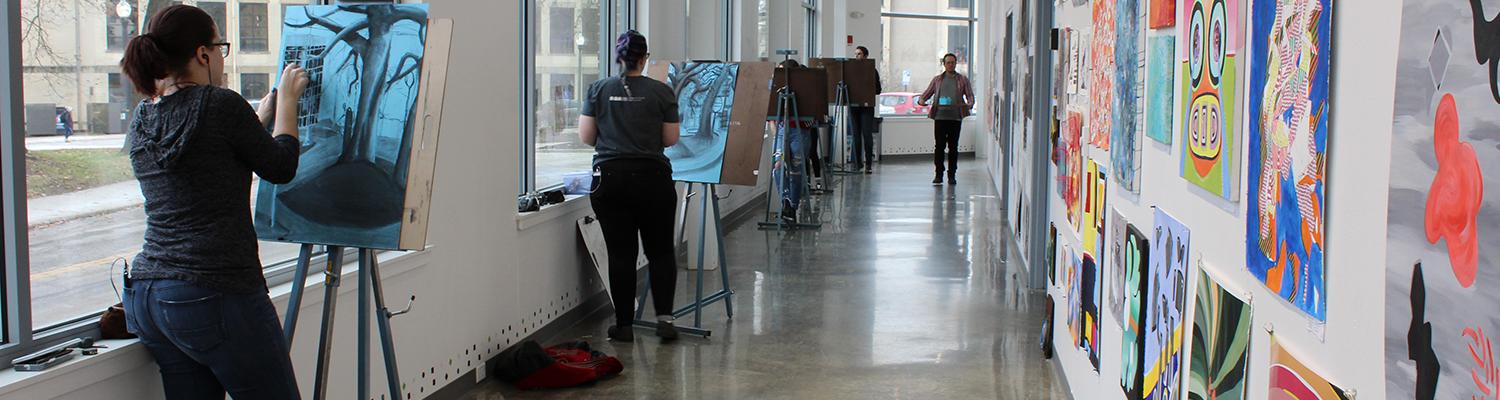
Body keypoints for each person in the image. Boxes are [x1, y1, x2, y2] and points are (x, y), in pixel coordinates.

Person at [120, 5, 309, 399]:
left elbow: (204, 159)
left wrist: (257, 120)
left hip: (150, 297)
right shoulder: (220, 104)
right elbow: (280, 166)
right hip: (214, 291)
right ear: (203, 54)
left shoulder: (142, 119)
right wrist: (288, 102)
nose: (223, 57)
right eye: (220, 47)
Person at [578, 30, 682, 342]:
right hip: (653, 180)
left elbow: (586, 137)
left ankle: (624, 326)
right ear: (645, 58)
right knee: (661, 251)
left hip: (611, 181)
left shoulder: (598, 89)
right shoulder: (662, 92)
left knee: (621, 253)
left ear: (618, 56)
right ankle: (665, 319)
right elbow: (670, 139)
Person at [917, 53, 974, 185]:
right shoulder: (937, 80)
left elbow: (970, 96)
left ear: (956, 64)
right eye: (948, 62)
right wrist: (921, 101)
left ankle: (952, 175)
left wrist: (970, 103)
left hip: (955, 118)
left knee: (953, 147)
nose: (951, 65)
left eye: (953, 62)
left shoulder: (962, 80)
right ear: (944, 64)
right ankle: (938, 174)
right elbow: (926, 94)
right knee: (939, 147)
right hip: (940, 117)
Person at [771, 59, 815, 223]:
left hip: (800, 131)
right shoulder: (778, 89)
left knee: (796, 170)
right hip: (783, 130)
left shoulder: (806, 89)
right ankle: (786, 201)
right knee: (777, 167)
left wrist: (803, 119)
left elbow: (813, 117)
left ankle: (793, 207)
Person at [849, 46, 882, 174]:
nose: (857, 56)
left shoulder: (872, 71)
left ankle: (868, 163)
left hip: (867, 106)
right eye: (856, 54)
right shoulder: (851, 70)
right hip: (854, 106)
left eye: (860, 54)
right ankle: (857, 164)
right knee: (855, 135)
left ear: (866, 56)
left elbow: (878, 90)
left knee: (866, 134)